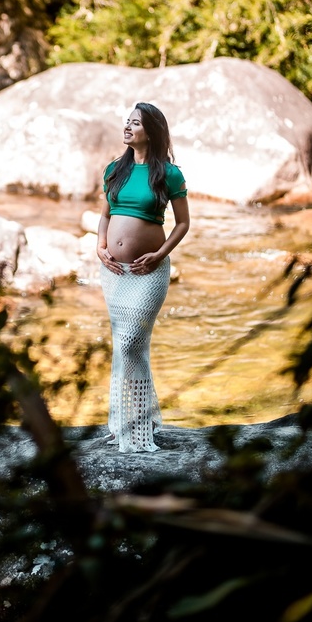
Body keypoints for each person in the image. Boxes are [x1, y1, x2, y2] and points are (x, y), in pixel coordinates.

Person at [96, 102, 191, 452]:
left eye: (135, 123)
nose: (127, 127)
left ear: (151, 132)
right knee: (127, 347)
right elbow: (106, 215)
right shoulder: (115, 170)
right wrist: (100, 246)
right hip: (114, 272)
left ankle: (135, 424)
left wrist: (160, 254)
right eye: (127, 121)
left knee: (129, 343)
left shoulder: (169, 174)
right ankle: (135, 421)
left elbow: (183, 223)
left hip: (149, 272)